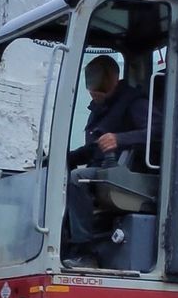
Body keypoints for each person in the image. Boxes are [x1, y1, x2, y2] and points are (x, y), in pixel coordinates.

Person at [63, 56, 152, 264]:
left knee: (78, 178)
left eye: (97, 80)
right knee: (60, 173)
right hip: (101, 169)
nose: (93, 89)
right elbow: (93, 149)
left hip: (124, 174)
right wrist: (63, 158)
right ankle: (64, 247)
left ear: (113, 77)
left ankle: (85, 251)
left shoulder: (134, 102)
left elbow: (157, 132)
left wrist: (119, 139)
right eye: (90, 82)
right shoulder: (98, 108)